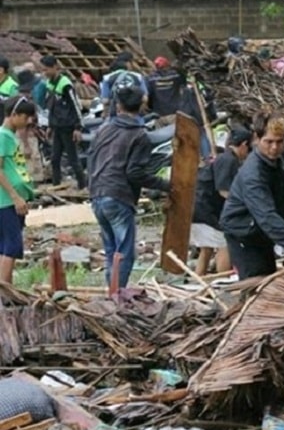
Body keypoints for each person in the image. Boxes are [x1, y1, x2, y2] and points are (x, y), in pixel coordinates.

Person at [89, 84, 171, 289]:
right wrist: (165, 185)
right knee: (124, 252)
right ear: (142, 106)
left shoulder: (104, 128)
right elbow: (134, 173)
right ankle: (118, 296)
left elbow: (91, 159)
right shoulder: (139, 135)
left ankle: (112, 294)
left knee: (110, 251)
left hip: (97, 193)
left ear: (118, 106)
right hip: (117, 195)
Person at [220, 112, 284, 279]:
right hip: (243, 231)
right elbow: (266, 215)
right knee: (255, 281)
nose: (274, 148)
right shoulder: (253, 173)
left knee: (268, 277)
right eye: (268, 142)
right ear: (256, 139)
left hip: (262, 231)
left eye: (279, 142)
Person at [191, 127, 252, 276]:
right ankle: (223, 280)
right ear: (244, 145)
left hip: (197, 208)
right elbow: (223, 190)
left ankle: (200, 278)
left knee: (207, 248)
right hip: (205, 210)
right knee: (225, 243)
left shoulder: (225, 158)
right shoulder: (228, 160)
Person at [0, 96, 35, 284]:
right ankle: (5, 292)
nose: (28, 121)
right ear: (14, 114)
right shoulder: (2, 136)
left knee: (6, 246)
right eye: (25, 116)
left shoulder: (10, 136)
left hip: (11, 200)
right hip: (6, 201)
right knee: (12, 246)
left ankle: (6, 290)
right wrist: (15, 197)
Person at [40, 55, 87, 189]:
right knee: (55, 159)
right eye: (43, 70)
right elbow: (51, 107)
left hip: (68, 127)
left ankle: (82, 185)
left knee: (73, 159)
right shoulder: (49, 83)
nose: (45, 73)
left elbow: (76, 106)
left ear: (55, 67)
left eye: (47, 69)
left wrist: (78, 127)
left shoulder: (65, 84)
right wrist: (50, 125)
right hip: (57, 126)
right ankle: (56, 185)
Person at [99, 53, 148, 119]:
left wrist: (104, 113)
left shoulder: (107, 78)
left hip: (116, 117)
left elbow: (105, 101)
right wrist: (140, 111)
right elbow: (145, 98)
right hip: (135, 116)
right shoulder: (138, 76)